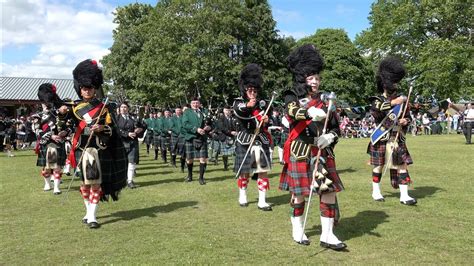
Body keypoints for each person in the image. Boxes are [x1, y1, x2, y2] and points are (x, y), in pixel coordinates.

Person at [278, 44, 345, 250]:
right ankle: (297, 228)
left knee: (328, 191)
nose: (315, 81)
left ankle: (327, 234)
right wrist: (308, 114)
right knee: (298, 194)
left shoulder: (327, 101)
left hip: (321, 152)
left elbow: (336, 127)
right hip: (300, 150)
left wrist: (330, 136)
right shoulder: (292, 95)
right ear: (302, 78)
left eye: (317, 77)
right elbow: (292, 112)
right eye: (310, 77)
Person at [60, 59, 128, 229]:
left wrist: (101, 127)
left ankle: (92, 215)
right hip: (81, 149)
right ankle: (88, 210)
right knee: (84, 184)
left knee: (96, 183)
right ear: (80, 90)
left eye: (90, 87)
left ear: (94, 88)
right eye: (84, 88)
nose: (87, 90)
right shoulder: (74, 108)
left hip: (99, 149)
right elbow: (63, 122)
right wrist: (61, 113)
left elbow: (112, 130)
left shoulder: (104, 107)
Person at [367, 56, 417, 206]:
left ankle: (404, 195)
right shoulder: (376, 99)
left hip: (397, 137)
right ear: (385, 83)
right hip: (381, 137)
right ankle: (376, 191)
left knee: (402, 165)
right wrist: (394, 103)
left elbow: (408, 118)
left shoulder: (403, 100)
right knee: (378, 165)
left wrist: (405, 121)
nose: (395, 85)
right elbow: (378, 110)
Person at [233, 63, 273, 211]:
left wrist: (268, 119)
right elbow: (239, 111)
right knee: (245, 171)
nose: (253, 92)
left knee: (263, 170)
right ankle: (242, 194)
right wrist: (249, 106)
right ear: (245, 89)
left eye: (255, 90)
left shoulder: (263, 103)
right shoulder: (239, 101)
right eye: (250, 89)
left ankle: (262, 201)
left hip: (260, 139)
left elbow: (269, 116)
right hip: (245, 139)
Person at [35, 83, 69, 194]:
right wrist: (51, 135)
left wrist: (65, 132)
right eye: (44, 103)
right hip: (46, 143)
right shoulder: (38, 116)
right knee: (46, 167)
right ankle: (47, 183)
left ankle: (56, 187)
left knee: (57, 167)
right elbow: (37, 131)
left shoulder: (59, 114)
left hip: (59, 142)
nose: (46, 105)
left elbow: (68, 126)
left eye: (47, 102)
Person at [182, 98, 212, 185]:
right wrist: (196, 129)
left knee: (203, 158)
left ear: (199, 104)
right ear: (191, 104)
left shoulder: (204, 112)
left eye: (197, 103)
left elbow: (210, 123)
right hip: (191, 137)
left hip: (202, 137)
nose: (195, 104)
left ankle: (201, 178)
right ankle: (190, 176)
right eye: (193, 103)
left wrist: (209, 127)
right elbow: (185, 124)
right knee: (189, 159)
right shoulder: (187, 112)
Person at [116, 102, 146, 189]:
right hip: (121, 143)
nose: (123, 109)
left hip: (133, 142)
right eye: (122, 107)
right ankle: (121, 180)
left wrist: (140, 130)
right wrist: (127, 134)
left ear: (128, 108)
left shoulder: (133, 118)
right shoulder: (116, 118)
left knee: (132, 161)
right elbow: (116, 129)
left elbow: (143, 125)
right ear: (119, 109)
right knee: (121, 162)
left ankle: (130, 181)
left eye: (125, 107)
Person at [214, 106, 238, 171]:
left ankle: (235, 166)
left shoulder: (233, 118)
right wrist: (230, 132)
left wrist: (236, 131)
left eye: (229, 110)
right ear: (224, 111)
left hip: (233, 137)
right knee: (225, 153)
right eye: (226, 110)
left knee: (234, 152)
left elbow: (236, 125)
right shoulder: (220, 118)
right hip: (224, 136)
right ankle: (225, 166)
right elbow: (221, 127)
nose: (228, 111)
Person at [170, 107, 186, 171]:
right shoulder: (172, 118)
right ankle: (173, 162)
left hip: (182, 136)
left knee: (183, 150)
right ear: (175, 111)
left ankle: (183, 164)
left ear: (181, 111)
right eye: (177, 110)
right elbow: (171, 127)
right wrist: (178, 132)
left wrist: (182, 132)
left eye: (179, 110)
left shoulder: (183, 117)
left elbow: (185, 125)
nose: (178, 111)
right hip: (175, 136)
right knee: (174, 149)